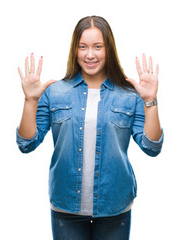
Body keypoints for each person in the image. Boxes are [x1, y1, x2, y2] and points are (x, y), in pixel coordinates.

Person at [16, 15, 163, 240]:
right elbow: (26, 143)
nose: (90, 54)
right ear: (75, 50)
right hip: (66, 206)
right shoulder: (55, 92)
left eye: (97, 47)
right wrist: (30, 101)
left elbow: (151, 147)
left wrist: (150, 101)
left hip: (114, 206)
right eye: (83, 47)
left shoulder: (129, 95)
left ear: (108, 50)